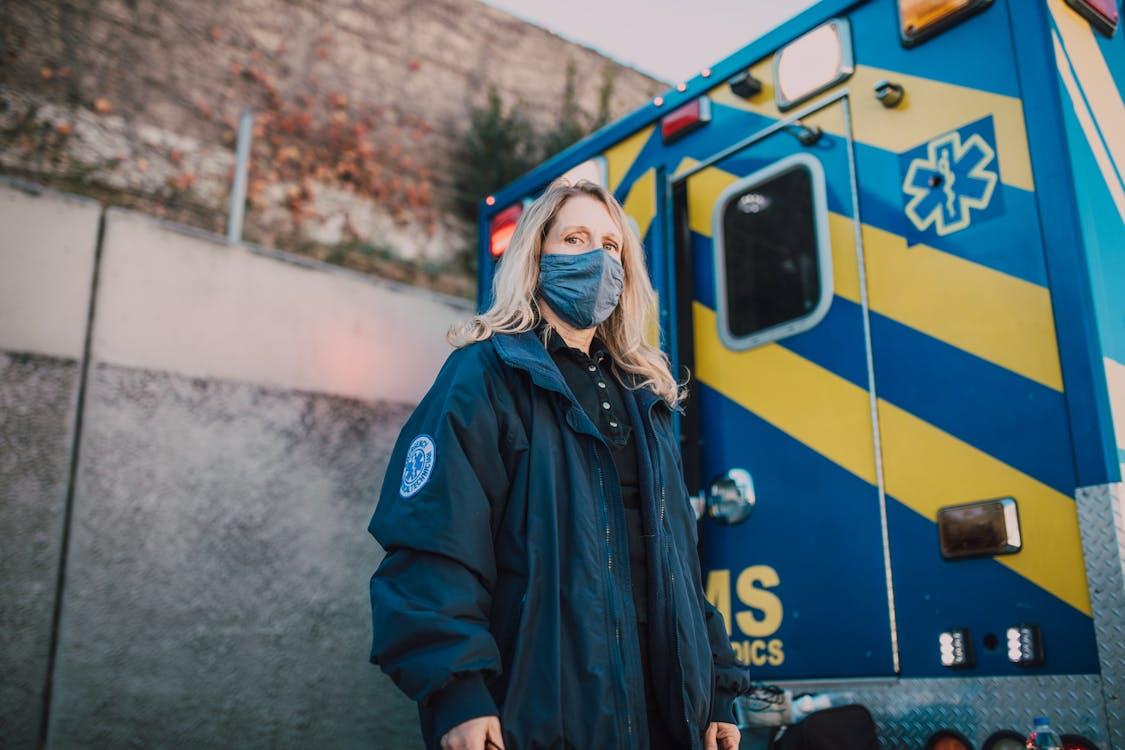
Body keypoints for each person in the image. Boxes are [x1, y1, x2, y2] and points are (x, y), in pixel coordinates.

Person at [367, 178, 750, 750]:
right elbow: (432, 547)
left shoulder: (646, 397)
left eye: (611, 245)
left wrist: (717, 690)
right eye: (575, 238)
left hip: (667, 717)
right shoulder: (485, 377)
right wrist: (458, 693)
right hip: (541, 716)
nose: (597, 257)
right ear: (536, 255)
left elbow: (678, 566)